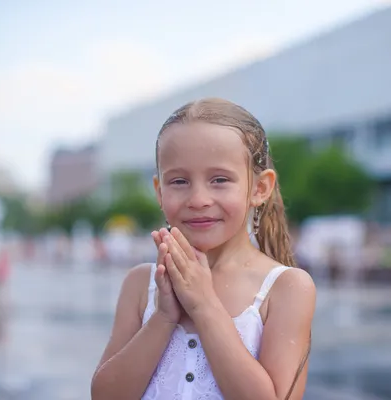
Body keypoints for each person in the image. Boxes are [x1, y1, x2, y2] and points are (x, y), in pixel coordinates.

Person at [91, 98, 316, 399]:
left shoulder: (285, 287)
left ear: (260, 188)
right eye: (180, 181)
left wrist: (204, 305)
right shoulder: (141, 284)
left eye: (220, 180)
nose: (198, 199)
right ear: (160, 192)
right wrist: (163, 317)